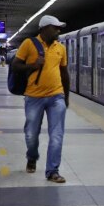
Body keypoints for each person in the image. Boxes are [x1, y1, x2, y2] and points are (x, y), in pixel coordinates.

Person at [12, 15, 70, 183]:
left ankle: (53, 171)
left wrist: (66, 97)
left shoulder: (61, 48)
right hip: (33, 97)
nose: (58, 30)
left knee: (57, 135)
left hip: (56, 97)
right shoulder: (29, 44)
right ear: (44, 29)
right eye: (55, 27)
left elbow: (64, 73)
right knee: (31, 134)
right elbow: (15, 65)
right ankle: (31, 157)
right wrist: (32, 65)